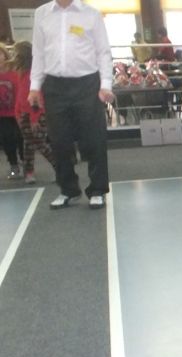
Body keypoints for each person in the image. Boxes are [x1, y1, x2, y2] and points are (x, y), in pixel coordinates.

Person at [29, 0, 115, 210]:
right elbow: (38, 53)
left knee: (94, 139)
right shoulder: (41, 14)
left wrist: (105, 84)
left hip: (87, 83)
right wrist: (34, 86)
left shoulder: (91, 14)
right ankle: (68, 190)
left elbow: (103, 52)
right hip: (54, 85)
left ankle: (97, 190)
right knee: (59, 141)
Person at [11, 41, 54, 185]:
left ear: (21, 56)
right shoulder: (21, 74)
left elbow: (36, 97)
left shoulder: (32, 75)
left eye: (15, 53)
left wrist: (34, 118)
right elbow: (20, 97)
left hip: (36, 113)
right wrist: (18, 113)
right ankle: (29, 172)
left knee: (39, 143)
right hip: (24, 114)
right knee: (28, 144)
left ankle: (60, 167)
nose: (13, 56)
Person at [0, 45, 23, 179]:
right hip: (2, 114)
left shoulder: (14, 70)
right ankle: (14, 165)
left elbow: (21, 89)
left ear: (5, 55)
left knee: (21, 137)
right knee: (7, 138)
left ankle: (26, 162)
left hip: (17, 111)